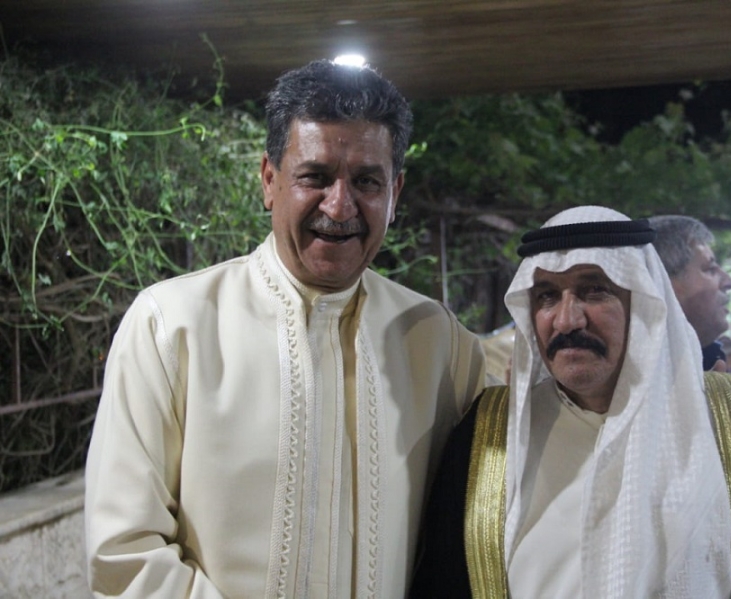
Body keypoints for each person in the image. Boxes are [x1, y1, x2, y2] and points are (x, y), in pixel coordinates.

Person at [83, 60, 486, 598]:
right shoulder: (171, 327)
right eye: (315, 177)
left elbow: (478, 531)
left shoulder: (440, 345)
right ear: (270, 180)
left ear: (396, 193)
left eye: (367, 181)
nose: (339, 206)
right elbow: (124, 552)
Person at [412, 206, 731, 598]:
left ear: (644, 303)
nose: (567, 320)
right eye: (547, 296)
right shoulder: (487, 437)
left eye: (594, 290)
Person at [648, 214, 731, 370]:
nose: (729, 282)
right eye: (710, 269)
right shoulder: (622, 377)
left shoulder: (712, 362)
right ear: (663, 283)